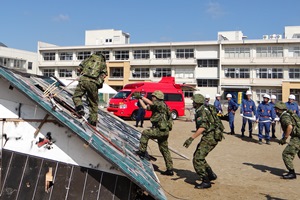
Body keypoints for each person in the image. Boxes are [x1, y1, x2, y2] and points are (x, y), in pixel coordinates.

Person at [183, 94, 224, 189]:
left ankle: (206, 181)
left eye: (194, 101)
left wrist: (191, 138)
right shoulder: (204, 108)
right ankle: (211, 175)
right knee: (199, 156)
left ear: (197, 103)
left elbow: (202, 127)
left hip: (210, 136)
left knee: (197, 159)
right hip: (211, 135)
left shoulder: (202, 111)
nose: (192, 103)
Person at [135, 90, 174, 176]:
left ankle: (142, 152)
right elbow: (145, 107)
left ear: (157, 98)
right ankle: (170, 169)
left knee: (145, 133)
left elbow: (151, 104)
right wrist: (139, 99)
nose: (152, 97)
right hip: (163, 131)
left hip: (160, 130)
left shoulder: (161, 104)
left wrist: (141, 97)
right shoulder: (157, 106)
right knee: (164, 150)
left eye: (153, 96)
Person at [72, 53, 107, 126]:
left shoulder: (88, 59)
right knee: (93, 103)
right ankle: (93, 120)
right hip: (93, 83)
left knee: (76, 96)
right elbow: (104, 75)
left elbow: (79, 68)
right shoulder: (103, 63)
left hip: (83, 80)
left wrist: (83, 72)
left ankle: (80, 108)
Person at [274, 101, 300, 179]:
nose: (275, 111)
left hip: (297, 138)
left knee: (286, 154)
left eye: (275, 109)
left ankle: (292, 173)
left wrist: (284, 139)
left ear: (278, 110)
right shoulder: (290, 113)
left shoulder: (285, 117)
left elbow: (289, 127)